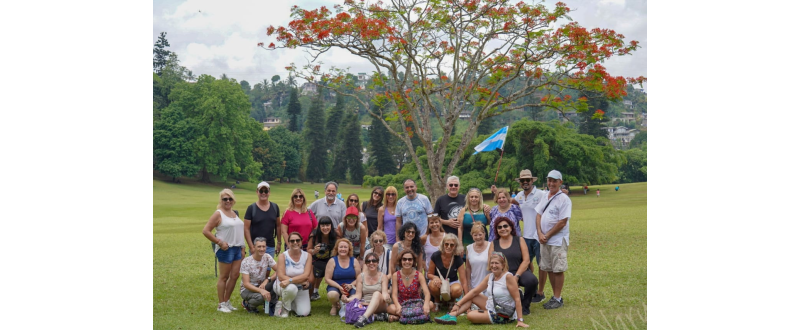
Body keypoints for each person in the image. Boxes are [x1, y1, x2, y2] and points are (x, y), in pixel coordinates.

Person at [434, 252, 528, 327]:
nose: (494, 265)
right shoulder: (490, 277)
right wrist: (458, 304)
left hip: (503, 313)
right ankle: (452, 316)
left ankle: (482, 315)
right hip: (493, 306)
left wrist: (520, 320)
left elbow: (517, 299)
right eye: (492, 263)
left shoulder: (508, 277)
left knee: (471, 315)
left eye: (497, 263)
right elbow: (474, 292)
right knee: (473, 295)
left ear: (503, 265)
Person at [202, 188, 245, 313]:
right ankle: (221, 304)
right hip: (226, 249)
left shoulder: (234, 213)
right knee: (224, 277)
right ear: (221, 201)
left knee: (235, 275)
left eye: (230, 198)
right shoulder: (218, 214)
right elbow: (206, 230)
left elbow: (238, 231)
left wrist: (243, 247)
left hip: (237, 248)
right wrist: (219, 242)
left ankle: (227, 301)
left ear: (233, 200)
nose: (227, 201)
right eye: (224, 199)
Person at [536, 170, 573, 310]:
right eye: (549, 180)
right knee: (550, 268)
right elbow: (538, 215)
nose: (551, 183)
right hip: (544, 239)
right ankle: (554, 296)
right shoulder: (545, 196)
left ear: (560, 182)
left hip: (557, 240)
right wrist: (539, 233)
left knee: (558, 269)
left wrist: (547, 235)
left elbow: (562, 222)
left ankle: (558, 298)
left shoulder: (564, 199)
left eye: (554, 181)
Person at [487, 217, 539, 315]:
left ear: (511, 228)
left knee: (532, 281)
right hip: (503, 275)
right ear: (496, 230)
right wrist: (503, 277)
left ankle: (525, 305)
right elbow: (491, 262)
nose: (503, 229)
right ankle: (516, 297)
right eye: (499, 227)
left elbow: (526, 260)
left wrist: (516, 276)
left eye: (505, 226)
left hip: (520, 272)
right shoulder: (494, 243)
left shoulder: (519, 240)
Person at [513, 169, 548, 303]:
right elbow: (511, 201)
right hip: (525, 236)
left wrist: (563, 192)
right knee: (526, 263)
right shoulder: (519, 196)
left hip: (539, 235)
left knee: (542, 265)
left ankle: (540, 292)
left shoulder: (540, 194)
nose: (525, 182)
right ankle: (533, 287)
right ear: (520, 182)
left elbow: (552, 198)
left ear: (532, 180)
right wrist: (496, 193)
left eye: (528, 180)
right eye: (523, 180)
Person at [344, 252, 392, 328]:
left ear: (378, 263)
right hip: (365, 305)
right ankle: (375, 316)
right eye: (368, 261)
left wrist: (387, 298)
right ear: (365, 264)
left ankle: (364, 318)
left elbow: (384, 293)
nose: (371, 263)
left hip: (380, 305)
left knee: (376, 293)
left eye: (374, 261)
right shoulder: (361, 276)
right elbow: (358, 295)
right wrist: (347, 299)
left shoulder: (383, 277)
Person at [387, 250, 434, 323]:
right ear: (401, 261)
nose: (407, 261)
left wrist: (426, 305)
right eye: (404, 259)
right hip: (402, 304)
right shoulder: (396, 275)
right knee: (390, 308)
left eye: (410, 259)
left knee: (430, 304)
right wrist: (398, 305)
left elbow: (427, 293)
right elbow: (394, 294)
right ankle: (417, 316)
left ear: (413, 262)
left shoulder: (419, 275)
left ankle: (400, 317)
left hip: (416, 304)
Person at [274, 232, 313, 317]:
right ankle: (285, 308)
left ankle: (292, 304)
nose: (295, 243)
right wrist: (299, 280)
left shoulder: (307, 256)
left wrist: (290, 280)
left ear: (301, 241)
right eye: (292, 241)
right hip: (283, 285)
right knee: (291, 288)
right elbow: (281, 276)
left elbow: (306, 275)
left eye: (297, 240)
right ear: (288, 243)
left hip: (300, 287)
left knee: (304, 313)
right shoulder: (283, 256)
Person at [427, 233, 466, 310]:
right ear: (443, 244)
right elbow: (429, 274)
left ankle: (451, 301)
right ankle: (437, 301)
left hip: (452, 281)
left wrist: (467, 299)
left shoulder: (458, 259)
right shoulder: (436, 255)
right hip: (439, 282)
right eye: (446, 244)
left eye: (451, 245)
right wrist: (435, 277)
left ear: (455, 247)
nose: (448, 247)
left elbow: (463, 281)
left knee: (457, 290)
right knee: (432, 285)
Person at [240, 237, 278, 313]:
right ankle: (248, 305)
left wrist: (267, 280)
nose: (261, 249)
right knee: (261, 297)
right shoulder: (246, 262)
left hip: (261, 285)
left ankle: (271, 305)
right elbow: (246, 284)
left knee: (276, 282)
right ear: (254, 247)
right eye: (259, 246)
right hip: (247, 289)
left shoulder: (267, 257)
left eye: (263, 246)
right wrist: (261, 291)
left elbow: (279, 271)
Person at [325, 238, 362, 315]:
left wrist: (351, 285)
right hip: (336, 285)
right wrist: (339, 287)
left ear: (349, 249)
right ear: (337, 248)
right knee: (332, 295)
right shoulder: (332, 260)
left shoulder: (354, 260)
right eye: (341, 247)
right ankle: (334, 305)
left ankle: (347, 304)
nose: (343, 249)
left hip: (351, 285)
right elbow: (327, 279)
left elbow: (359, 277)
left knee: (355, 297)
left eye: (345, 247)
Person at [244, 182, 282, 257]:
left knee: (267, 268)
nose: (263, 193)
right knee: (255, 268)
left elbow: (278, 226)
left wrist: (279, 242)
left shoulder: (275, 207)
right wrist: (251, 246)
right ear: (257, 192)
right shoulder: (251, 208)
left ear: (269, 192)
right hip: (256, 246)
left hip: (270, 245)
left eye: (266, 191)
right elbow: (246, 229)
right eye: (261, 191)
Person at [308, 216, 338, 301]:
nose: (325, 228)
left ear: (331, 226)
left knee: (337, 277)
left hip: (330, 259)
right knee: (311, 280)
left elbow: (341, 246)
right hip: (316, 259)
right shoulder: (314, 235)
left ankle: (336, 297)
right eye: (323, 226)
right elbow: (308, 250)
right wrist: (314, 250)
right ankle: (308, 298)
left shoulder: (336, 235)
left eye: (327, 225)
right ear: (319, 226)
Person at [464, 224, 489, 296]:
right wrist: (468, 285)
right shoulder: (469, 248)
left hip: (488, 286)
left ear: (484, 234)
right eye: (475, 235)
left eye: (480, 234)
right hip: (474, 285)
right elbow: (468, 268)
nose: (478, 237)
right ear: (472, 235)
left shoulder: (491, 246)